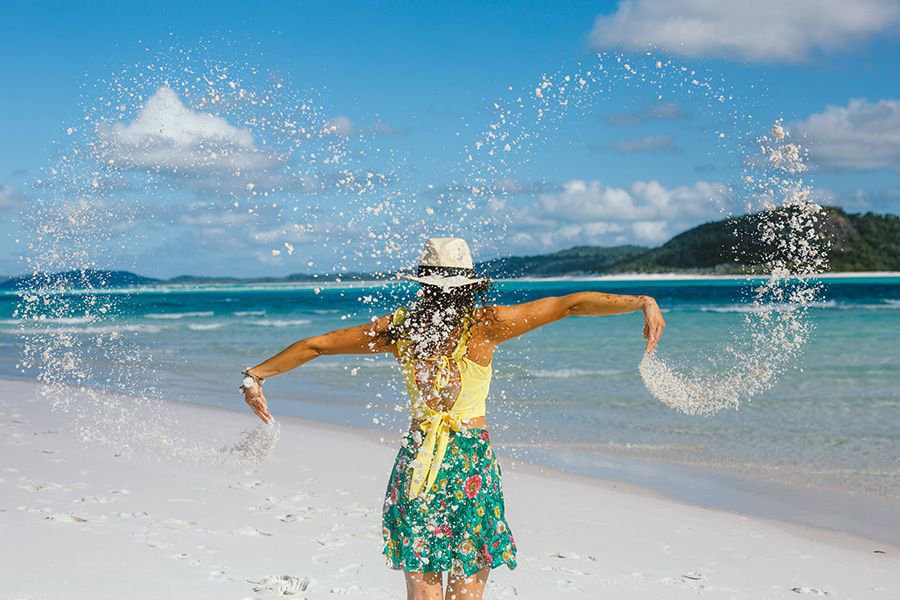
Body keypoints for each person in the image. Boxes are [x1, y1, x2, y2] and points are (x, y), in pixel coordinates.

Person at [239, 237, 666, 600]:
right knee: (466, 589)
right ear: (467, 285)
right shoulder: (487, 323)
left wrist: (254, 376)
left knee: (423, 589)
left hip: (418, 461)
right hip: (470, 462)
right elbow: (569, 305)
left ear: (425, 285)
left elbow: (318, 345)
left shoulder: (401, 329)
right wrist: (642, 302)